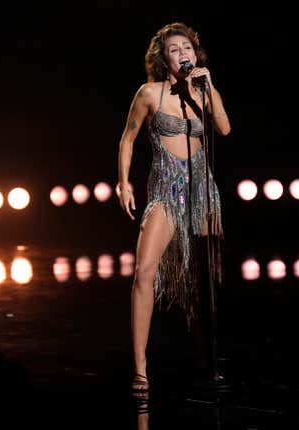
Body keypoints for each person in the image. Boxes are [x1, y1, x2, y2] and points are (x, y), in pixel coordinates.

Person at [116, 22, 231, 408]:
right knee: (144, 271)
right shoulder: (149, 93)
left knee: (206, 282)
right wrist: (123, 182)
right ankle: (139, 366)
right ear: (163, 59)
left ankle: (207, 361)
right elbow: (128, 137)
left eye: (187, 47)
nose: (182, 52)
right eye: (173, 49)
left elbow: (224, 129)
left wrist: (208, 86)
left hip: (202, 190)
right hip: (166, 189)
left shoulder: (203, 90)